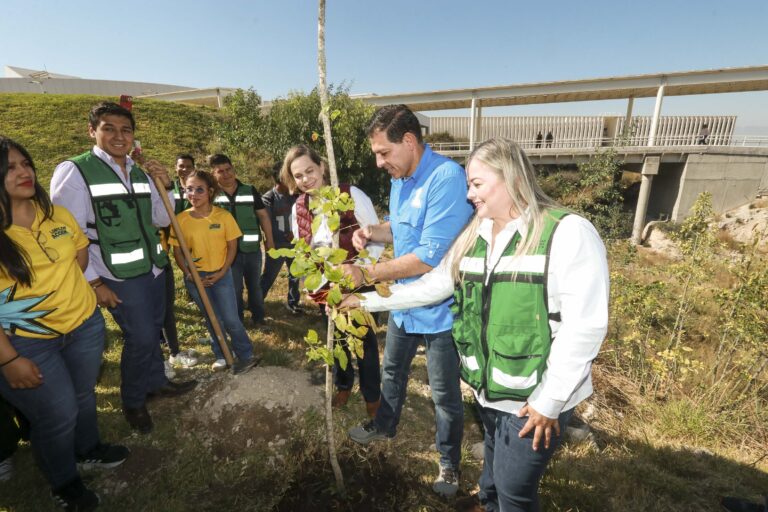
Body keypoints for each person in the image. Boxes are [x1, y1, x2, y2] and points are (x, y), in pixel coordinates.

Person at [343, 138, 609, 511]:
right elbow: (433, 285)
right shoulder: (476, 233)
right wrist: (363, 300)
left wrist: (548, 404)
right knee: (493, 469)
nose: (469, 195)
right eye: (469, 185)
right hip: (490, 390)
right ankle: (487, 502)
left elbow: (585, 327)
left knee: (516, 491)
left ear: (511, 178)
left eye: (477, 184)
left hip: (532, 400)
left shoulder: (567, 233)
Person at [342, 104, 474, 497]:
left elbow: (427, 256)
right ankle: (384, 424)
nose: (381, 162)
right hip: (405, 302)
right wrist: (372, 231)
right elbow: (400, 232)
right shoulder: (400, 179)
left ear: (410, 141)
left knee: (444, 392)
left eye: (384, 153)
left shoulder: (446, 178)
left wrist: (366, 276)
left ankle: (449, 463)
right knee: (392, 372)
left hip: (440, 309)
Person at [50, 102, 196, 435]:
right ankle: (133, 401)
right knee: (141, 337)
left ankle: (157, 383)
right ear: (93, 131)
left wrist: (166, 186)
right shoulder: (75, 171)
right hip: (116, 274)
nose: (119, 136)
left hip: (154, 267)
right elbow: (66, 235)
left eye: (126, 130)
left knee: (154, 329)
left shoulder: (141, 168)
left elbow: (161, 218)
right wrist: (94, 282)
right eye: (109, 128)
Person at [0, 136, 130, 510]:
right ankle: (64, 482)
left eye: (25, 163)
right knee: (58, 414)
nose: (24, 172)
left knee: (83, 395)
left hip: (84, 326)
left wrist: (72, 291)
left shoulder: (56, 214)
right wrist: (8, 359)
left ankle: (88, 449)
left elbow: (79, 251)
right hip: (27, 341)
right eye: (9, 167)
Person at [281, 144, 384, 416]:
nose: (305, 179)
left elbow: (376, 240)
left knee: (364, 342)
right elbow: (304, 251)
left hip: (358, 279)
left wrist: (360, 270)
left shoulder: (350, 195)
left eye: (309, 171)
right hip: (324, 286)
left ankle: (372, 395)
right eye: (299, 176)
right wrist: (313, 284)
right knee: (334, 337)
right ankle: (343, 384)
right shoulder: (299, 208)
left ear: (322, 167)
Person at [170, 171, 257, 374]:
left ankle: (245, 354)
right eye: (189, 189)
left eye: (199, 189)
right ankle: (221, 353)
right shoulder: (181, 220)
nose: (194, 194)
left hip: (221, 275)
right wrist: (189, 274)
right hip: (195, 278)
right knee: (212, 318)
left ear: (210, 192)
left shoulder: (223, 216)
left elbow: (232, 247)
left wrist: (222, 272)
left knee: (230, 318)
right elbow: (177, 251)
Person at [209, 154, 275, 327]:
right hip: (227, 253)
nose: (226, 174)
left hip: (252, 249)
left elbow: (263, 216)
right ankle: (237, 320)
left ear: (233, 168)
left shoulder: (249, 189)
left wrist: (269, 240)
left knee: (255, 287)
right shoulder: (211, 195)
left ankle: (259, 318)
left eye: (228, 169)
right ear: (213, 174)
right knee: (235, 289)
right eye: (220, 171)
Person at [260, 162, 301, 314]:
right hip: (277, 245)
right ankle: (257, 303)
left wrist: (295, 234)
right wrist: (271, 244)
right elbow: (266, 224)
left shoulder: (296, 195)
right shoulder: (268, 198)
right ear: (280, 179)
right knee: (269, 277)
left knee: (295, 275)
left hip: (295, 244)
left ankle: (293, 303)